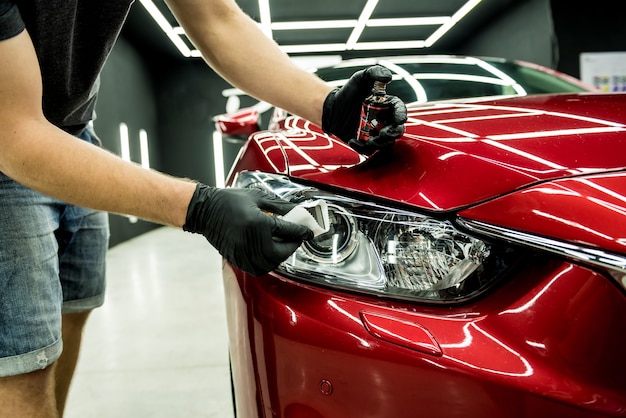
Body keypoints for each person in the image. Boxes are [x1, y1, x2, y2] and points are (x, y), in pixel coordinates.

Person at [0, 0, 407, 416]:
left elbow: (217, 18)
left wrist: (329, 107)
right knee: (25, 364)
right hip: (9, 141)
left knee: (71, 315)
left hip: (73, 129)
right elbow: (15, 134)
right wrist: (201, 207)